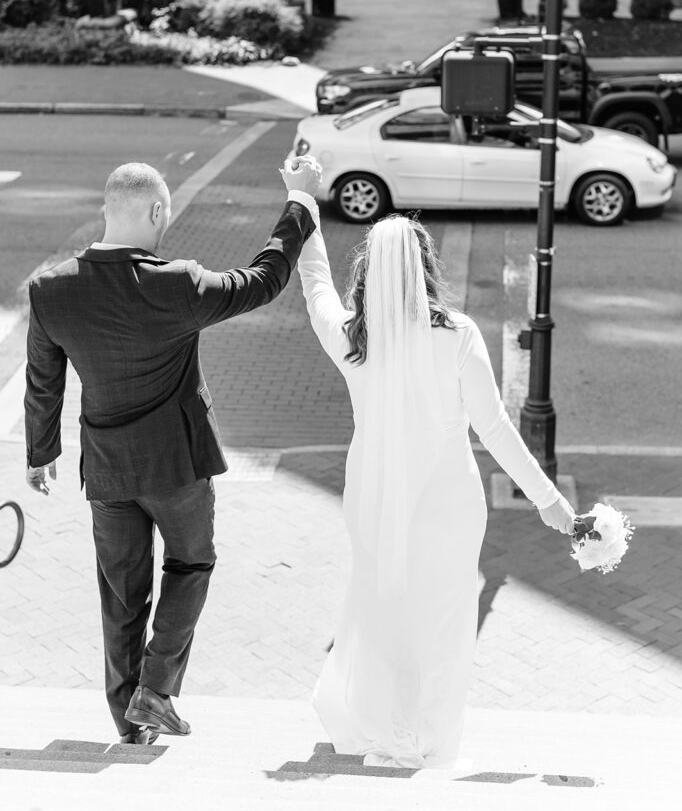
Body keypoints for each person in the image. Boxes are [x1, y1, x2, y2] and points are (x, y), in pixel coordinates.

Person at [24, 160, 321, 744]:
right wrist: (299, 203)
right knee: (192, 563)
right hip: (178, 468)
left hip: (106, 471)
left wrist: (40, 452)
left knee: (120, 596)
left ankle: (128, 724)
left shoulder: (51, 289)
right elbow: (263, 279)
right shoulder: (175, 283)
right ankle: (155, 690)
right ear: (157, 212)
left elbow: (43, 380)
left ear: (108, 211)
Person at [292, 168, 575, 769]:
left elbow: (313, 276)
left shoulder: (348, 337)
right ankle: (428, 738)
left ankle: (384, 724)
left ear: (368, 273)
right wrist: (547, 498)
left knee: (383, 609)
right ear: (425, 270)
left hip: (373, 496)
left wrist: (301, 199)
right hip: (449, 504)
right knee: (443, 623)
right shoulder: (459, 335)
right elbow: (494, 427)